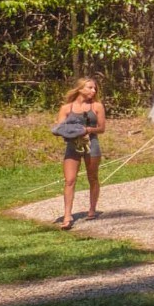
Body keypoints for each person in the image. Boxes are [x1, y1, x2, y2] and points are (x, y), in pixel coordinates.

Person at [56, 77, 105, 229]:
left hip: (92, 144)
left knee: (92, 177)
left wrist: (88, 130)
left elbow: (101, 128)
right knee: (69, 180)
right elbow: (59, 127)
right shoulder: (66, 108)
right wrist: (71, 131)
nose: (94, 91)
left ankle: (92, 209)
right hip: (72, 146)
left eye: (94, 88)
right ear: (80, 89)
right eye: (90, 87)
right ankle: (67, 215)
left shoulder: (97, 106)